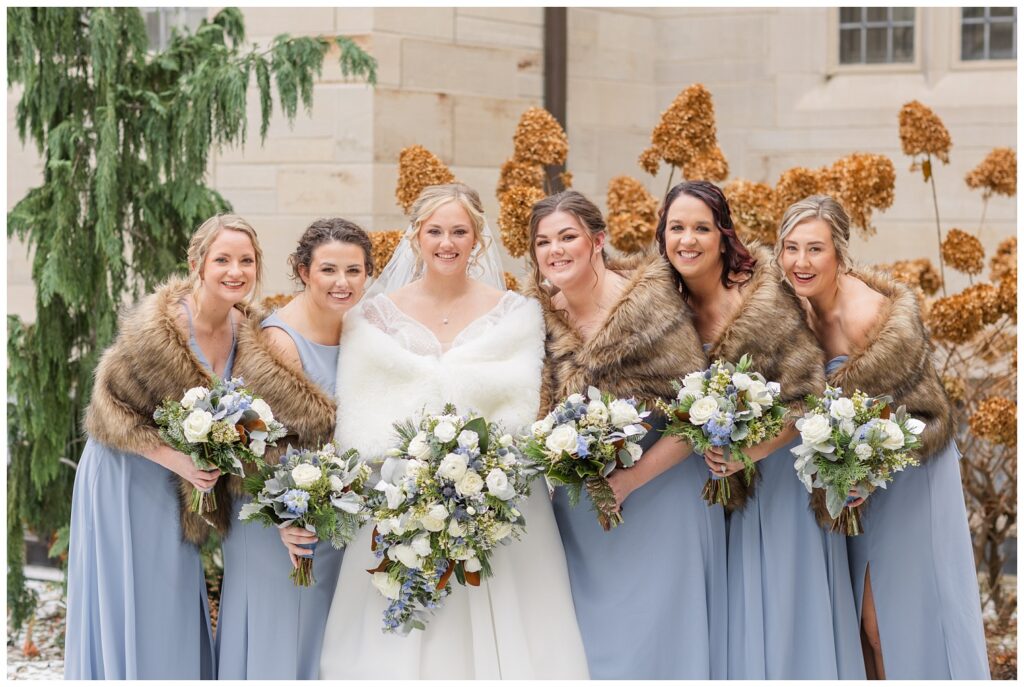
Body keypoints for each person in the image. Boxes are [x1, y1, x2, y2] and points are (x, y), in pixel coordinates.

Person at [318, 183, 589, 679]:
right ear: (415, 236)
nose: (447, 242)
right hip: (399, 500)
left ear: (477, 239)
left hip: (500, 498)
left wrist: (485, 473)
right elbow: (359, 420)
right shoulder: (368, 318)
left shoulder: (519, 314)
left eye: (459, 231)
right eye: (435, 231)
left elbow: (526, 408)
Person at [775, 194, 990, 679]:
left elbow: (926, 416)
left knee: (885, 621)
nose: (800, 262)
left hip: (909, 478)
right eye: (791, 248)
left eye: (815, 249)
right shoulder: (795, 312)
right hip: (846, 480)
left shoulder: (871, 315)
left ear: (840, 253)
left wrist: (867, 473)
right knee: (856, 624)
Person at [658, 181, 863, 679]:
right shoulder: (664, 304)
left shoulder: (766, 299)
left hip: (779, 484)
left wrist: (746, 453)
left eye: (701, 227)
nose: (688, 239)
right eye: (676, 227)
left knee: (785, 614)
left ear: (724, 235)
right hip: (708, 491)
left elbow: (807, 399)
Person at [526, 189, 727, 679]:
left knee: (656, 649)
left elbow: (695, 414)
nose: (556, 250)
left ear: (597, 241)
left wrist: (629, 481)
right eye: (543, 241)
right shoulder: (536, 316)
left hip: (660, 499)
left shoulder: (649, 305)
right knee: (591, 653)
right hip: (580, 514)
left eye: (568, 237)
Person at [64, 214, 262, 679]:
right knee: (135, 595)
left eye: (246, 260)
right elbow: (107, 408)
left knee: (174, 591)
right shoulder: (162, 326)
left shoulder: (248, 329)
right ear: (197, 263)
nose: (236, 271)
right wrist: (178, 459)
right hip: (127, 470)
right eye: (223, 259)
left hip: (186, 481)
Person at [216, 218, 373, 679]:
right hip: (280, 522)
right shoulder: (280, 341)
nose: (341, 283)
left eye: (354, 271)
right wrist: (285, 519)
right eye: (328, 270)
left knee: (324, 646)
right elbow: (252, 442)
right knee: (282, 643)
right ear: (304, 271)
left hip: (336, 515)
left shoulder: (360, 331)